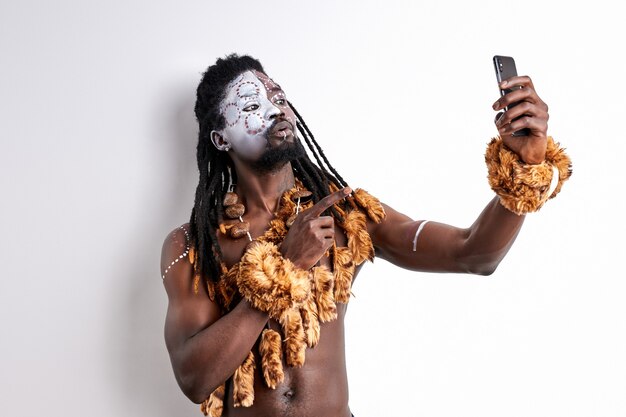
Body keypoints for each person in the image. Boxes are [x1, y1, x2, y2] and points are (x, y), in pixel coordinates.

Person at [160, 53, 571, 417]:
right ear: (220, 138)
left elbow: (474, 254)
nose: (275, 110)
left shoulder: (348, 214)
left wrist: (523, 168)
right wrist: (284, 269)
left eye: (278, 97)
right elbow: (193, 377)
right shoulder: (194, 246)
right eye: (252, 104)